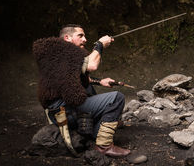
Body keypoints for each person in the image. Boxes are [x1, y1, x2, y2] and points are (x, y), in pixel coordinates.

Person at [32, 24, 130, 157]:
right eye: (80, 36)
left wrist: (100, 81)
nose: (85, 39)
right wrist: (99, 45)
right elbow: (92, 65)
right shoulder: (62, 53)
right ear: (67, 38)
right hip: (64, 110)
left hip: (58, 110)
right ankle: (104, 146)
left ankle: (93, 134)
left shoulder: (58, 53)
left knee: (88, 86)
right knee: (117, 98)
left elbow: (76, 75)